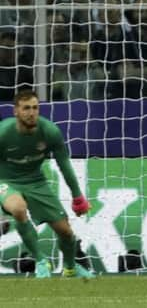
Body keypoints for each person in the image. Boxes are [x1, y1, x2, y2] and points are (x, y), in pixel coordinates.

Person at [0, 91, 94, 278]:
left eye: (35, 108)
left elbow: (64, 165)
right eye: (26, 108)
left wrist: (78, 197)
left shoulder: (50, 132)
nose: (31, 112)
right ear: (16, 111)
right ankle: (41, 260)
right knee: (18, 209)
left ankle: (70, 267)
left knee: (65, 232)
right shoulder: (3, 133)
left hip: (36, 182)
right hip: (6, 181)